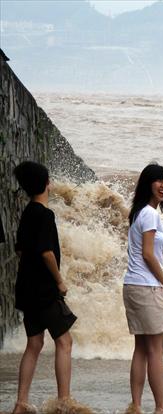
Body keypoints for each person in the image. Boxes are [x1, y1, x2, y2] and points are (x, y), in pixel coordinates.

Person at [11, 161, 77, 414]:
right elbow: (47, 252)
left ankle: (21, 402)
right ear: (46, 183)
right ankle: (64, 403)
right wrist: (59, 280)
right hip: (44, 291)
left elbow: (20, 249)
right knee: (64, 342)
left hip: (26, 289)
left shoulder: (28, 212)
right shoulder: (45, 214)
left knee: (34, 344)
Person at [123, 163, 163, 414]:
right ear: (147, 184)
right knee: (156, 351)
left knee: (142, 349)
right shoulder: (149, 214)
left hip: (133, 285)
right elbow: (149, 254)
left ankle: (136, 407)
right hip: (146, 287)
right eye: (158, 181)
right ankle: (160, 408)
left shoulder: (139, 212)